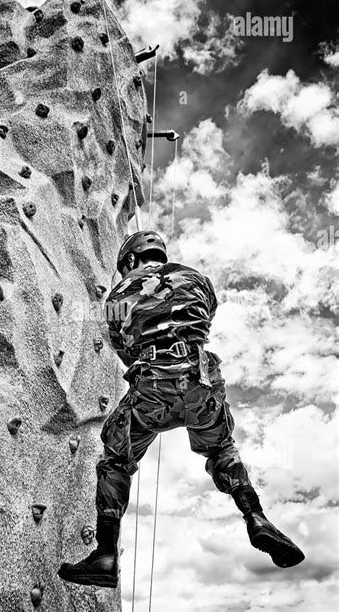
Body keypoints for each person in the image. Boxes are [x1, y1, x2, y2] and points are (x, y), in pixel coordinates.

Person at [58, 231, 305, 588]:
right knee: (221, 449)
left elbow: (122, 347)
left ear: (129, 260)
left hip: (153, 387)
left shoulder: (116, 296)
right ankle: (256, 517)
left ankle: (106, 554)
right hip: (199, 381)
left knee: (115, 458)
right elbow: (206, 319)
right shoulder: (198, 279)